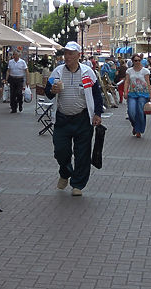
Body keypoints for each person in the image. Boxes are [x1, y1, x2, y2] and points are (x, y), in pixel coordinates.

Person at [44, 41, 103, 197]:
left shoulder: (87, 72)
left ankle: (78, 184)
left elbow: (97, 95)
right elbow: (47, 92)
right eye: (66, 53)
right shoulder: (57, 72)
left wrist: (97, 113)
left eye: (71, 53)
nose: (67, 56)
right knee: (60, 151)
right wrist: (52, 89)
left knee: (82, 153)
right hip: (62, 119)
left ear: (78, 55)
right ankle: (65, 172)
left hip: (82, 119)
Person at [123, 53, 151, 138]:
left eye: (139, 60)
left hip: (143, 94)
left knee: (140, 111)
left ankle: (138, 130)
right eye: (135, 60)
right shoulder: (129, 71)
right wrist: (125, 92)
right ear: (132, 61)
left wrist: (150, 94)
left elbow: (148, 83)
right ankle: (135, 126)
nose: (137, 62)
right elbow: (127, 81)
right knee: (131, 112)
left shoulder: (145, 71)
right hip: (132, 94)